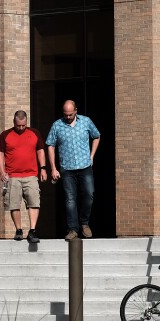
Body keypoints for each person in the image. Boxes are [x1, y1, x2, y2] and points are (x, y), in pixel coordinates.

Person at [46, 100, 100, 241]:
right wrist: (53, 168)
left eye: (70, 114)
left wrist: (92, 156)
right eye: (65, 114)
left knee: (89, 194)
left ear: (75, 110)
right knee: (70, 199)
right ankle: (73, 229)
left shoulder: (86, 121)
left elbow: (96, 136)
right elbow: (50, 145)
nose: (68, 117)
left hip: (85, 166)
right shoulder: (57, 125)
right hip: (67, 169)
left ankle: (84, 223)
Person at [0, 110, 48, 243]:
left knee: (34, 202)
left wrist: (43, 168)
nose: (20, 128)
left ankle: (32, 230)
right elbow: (0, 154)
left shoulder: (34, 133)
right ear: (14, 122)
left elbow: (40, 150)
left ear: (26, 122)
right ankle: (18, 230)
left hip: (31, 174)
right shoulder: (5, 135)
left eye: (23, 125)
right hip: (12, 176)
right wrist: (2, 172)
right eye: (18, 125)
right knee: (14, 204)